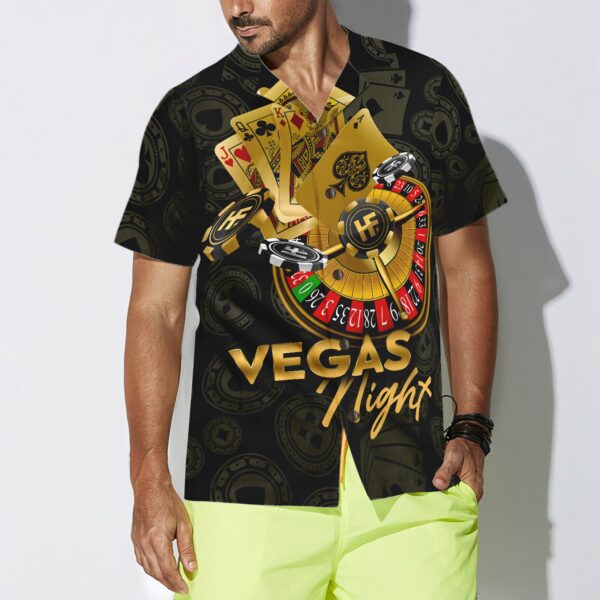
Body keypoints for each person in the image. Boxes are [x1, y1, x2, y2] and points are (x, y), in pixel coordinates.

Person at [113, 1, 507, 598]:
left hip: (413, 481)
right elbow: (155, 310)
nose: (238, 7)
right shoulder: (190, 115)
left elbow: (467, 264)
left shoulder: (425, 91)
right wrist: (148, 479)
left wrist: (472, 427)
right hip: (245, 492)